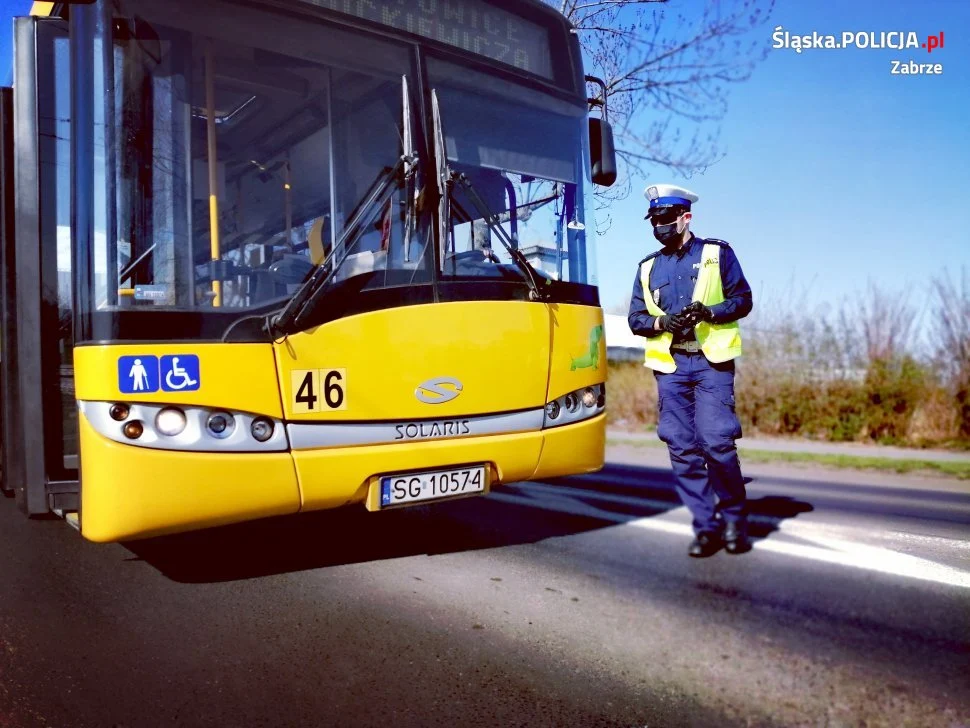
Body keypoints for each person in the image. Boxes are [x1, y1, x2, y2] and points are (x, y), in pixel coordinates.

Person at [628, 184, 754, 557]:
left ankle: (733, 518)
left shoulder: (718, 253)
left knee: (717, 442)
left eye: (666, 219)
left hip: (711, 362)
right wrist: (663, 322)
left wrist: (709, 313)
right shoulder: (648, 267)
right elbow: (637, 318)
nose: (660, 226)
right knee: (682, 448)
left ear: (686, 218)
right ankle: (706, 527)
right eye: (655, 221)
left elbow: (743, 299)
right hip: (671, 366)